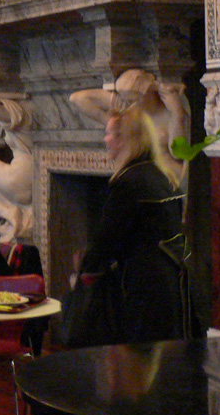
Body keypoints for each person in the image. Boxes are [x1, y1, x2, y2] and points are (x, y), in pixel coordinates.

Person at [75, 87, 189, 345]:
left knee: (137, 366)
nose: (105, 140)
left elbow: (107, 240)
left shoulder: (129, 182)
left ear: (125, 138)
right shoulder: (162, 177)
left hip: (141, 288)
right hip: (171, 283)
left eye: (109, 134)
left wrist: (84, 270)